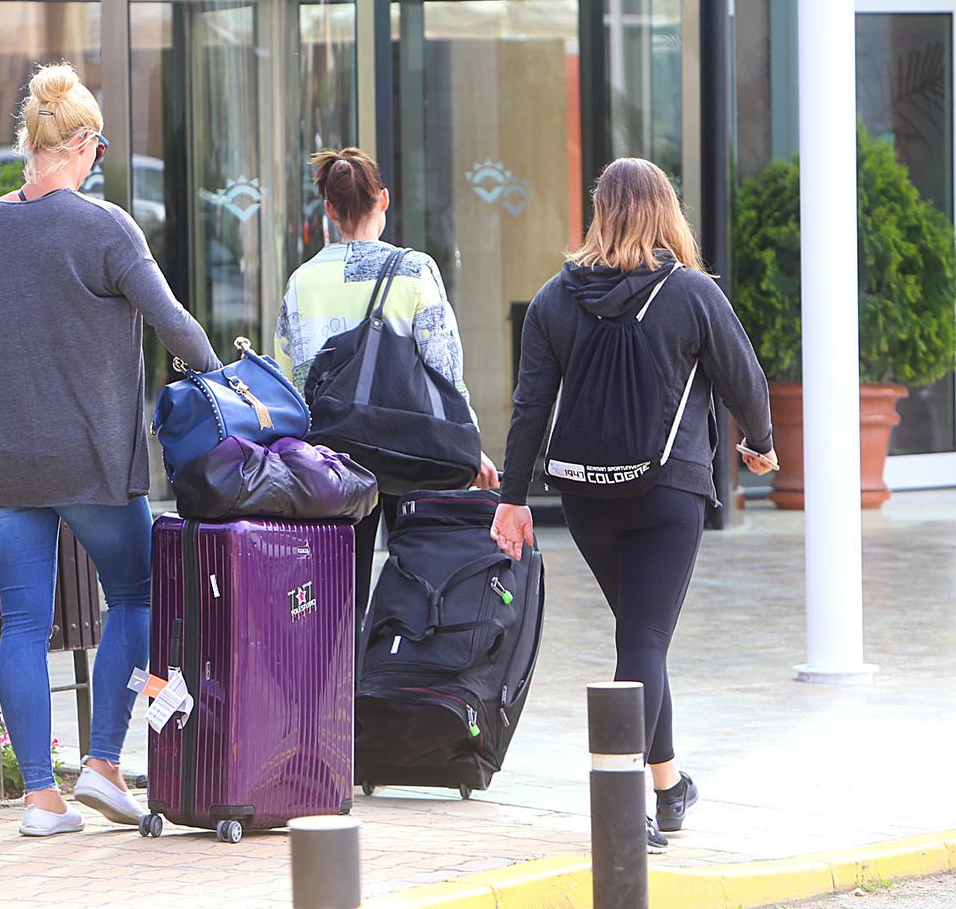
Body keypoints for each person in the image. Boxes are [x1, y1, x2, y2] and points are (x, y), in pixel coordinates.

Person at [0, 62, 222, 837]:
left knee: (22, 624)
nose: (97, 159)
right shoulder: (105, 227)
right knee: (140, 590)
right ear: (78, 144)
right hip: (89, 460)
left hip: (3, 455)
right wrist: (227, 386)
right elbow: (175, 326)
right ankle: (103, 763)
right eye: (98, 148)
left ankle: (39, 797)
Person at [490, 157, 777, 851]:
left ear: (601, 210)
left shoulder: (555, 298)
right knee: (644, 639)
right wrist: (759, 445)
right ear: (664, 210)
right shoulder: (689, 293)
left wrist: (513, 497)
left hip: (588, 497)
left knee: (639, 635)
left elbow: (531, 406)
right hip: (668, 492)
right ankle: (622, 805)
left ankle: (669, 786)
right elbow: (746, 378)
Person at [273, 146, 499, 636]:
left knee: (336, 593)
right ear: (384, 200)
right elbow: (444, 367)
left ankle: (337, 694)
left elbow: (289, 382)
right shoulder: (415, 270)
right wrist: (469, 441)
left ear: (329, 209)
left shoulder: (301, 283)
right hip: (408, 446)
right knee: (416, 577)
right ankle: (400, 680)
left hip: (332, 459)